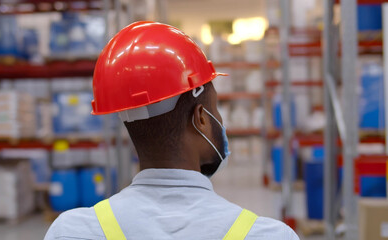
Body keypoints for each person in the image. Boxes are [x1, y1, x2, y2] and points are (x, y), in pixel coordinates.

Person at [44, 21, 299, 240]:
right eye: (215, 109)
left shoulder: (72, 232)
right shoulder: (269, 235)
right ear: (201, 118)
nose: (219, 120)